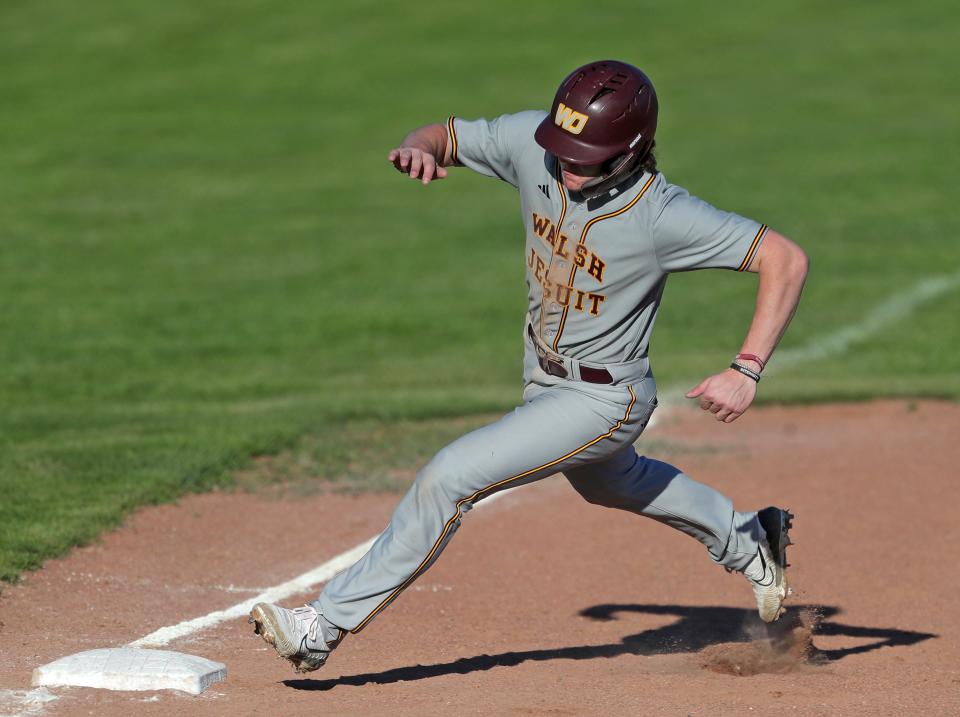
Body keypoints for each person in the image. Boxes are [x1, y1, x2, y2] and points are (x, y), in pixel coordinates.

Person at [249, 60, 809, 673]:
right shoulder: (535, 145)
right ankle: (749, 538)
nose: (567, 164)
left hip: (604, 399)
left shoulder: (663, 216)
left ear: (630, 152)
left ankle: (321, 626)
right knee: (610, 481)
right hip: (543, 380)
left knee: (451, 475)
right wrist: (418, 147)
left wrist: (746, 368)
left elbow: (784, 259)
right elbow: (449, 137)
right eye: (563, 147)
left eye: (586, 155)